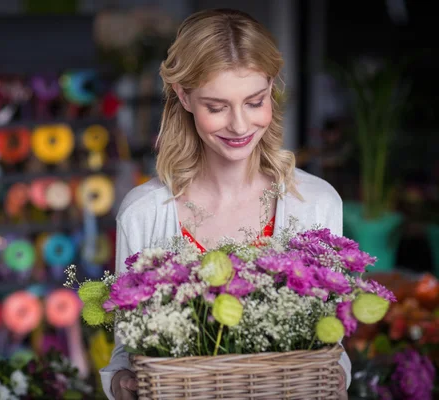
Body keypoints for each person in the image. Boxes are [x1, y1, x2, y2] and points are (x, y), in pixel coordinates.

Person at [100, 9, 351, 400]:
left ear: (272, 87)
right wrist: (121, 384)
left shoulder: (316, 204)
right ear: (184, 96)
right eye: (216, 107)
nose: (239, 125)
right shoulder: (144, 213)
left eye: (255, 101)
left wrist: (339, 378)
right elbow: (126, 350)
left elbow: (333, 343)